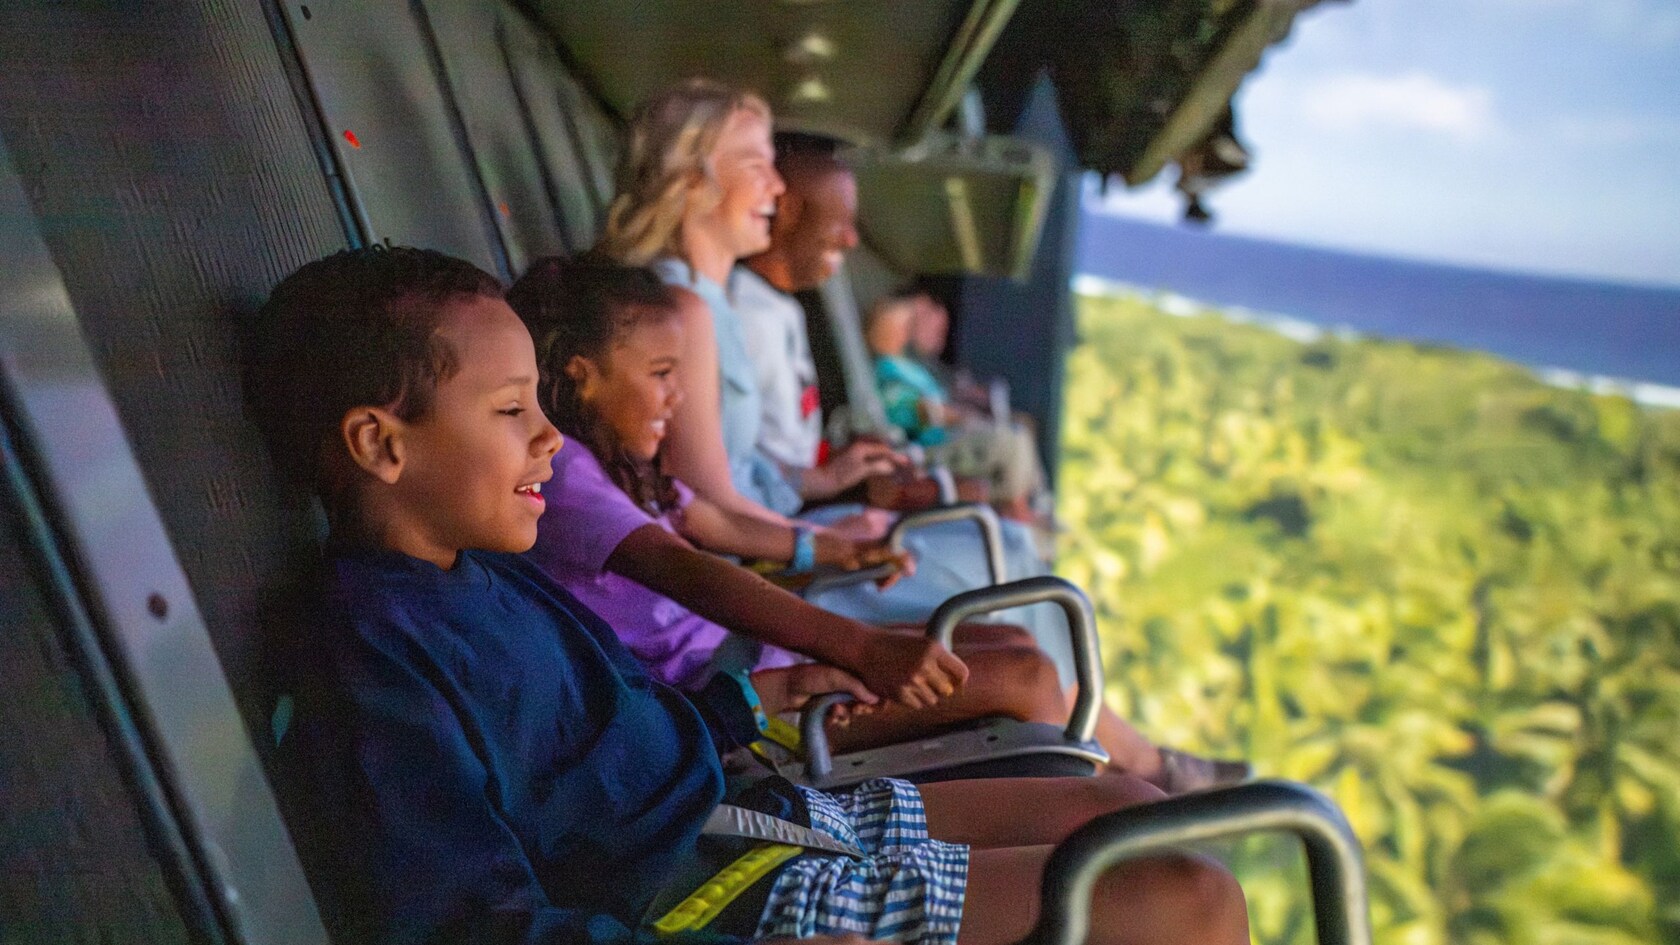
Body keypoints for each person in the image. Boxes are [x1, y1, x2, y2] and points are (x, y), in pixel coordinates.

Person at [246, 245, 1251, 945]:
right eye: (513, 411)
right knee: (1186, 902)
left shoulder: (489, 576)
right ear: (381, 444)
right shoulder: (376, 651)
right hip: (710, 904)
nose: (549, 439)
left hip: (741, 812)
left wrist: (756, 702)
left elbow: (616, 731)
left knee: (1124, 807)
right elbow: (467, 923)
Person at [511, 255, 1228, 776]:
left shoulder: (619, 466)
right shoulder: (567, 472)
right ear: (581, 373)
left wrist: (835, 551)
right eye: (662, 375)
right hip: (732, 701)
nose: (677, 397)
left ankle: (1131, 780)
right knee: (1023, 680)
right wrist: (858, 647)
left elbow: (717, 527)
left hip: (759, 661)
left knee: (1005, 636)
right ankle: (1104, 806)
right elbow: (692, 571)